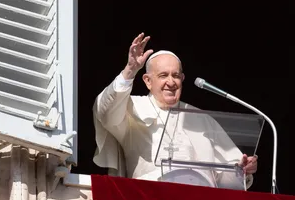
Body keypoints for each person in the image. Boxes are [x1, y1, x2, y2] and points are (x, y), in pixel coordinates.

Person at [93, 33, 258, 190]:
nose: (171, 82)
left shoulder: (202, 119)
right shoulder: (131, 107)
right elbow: (105, 113)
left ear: (182, 79)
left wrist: (241, 170)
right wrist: (130, 71)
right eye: (163, 75)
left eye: (176, 75)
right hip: (149, 197)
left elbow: (223, 178)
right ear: (148, 81)